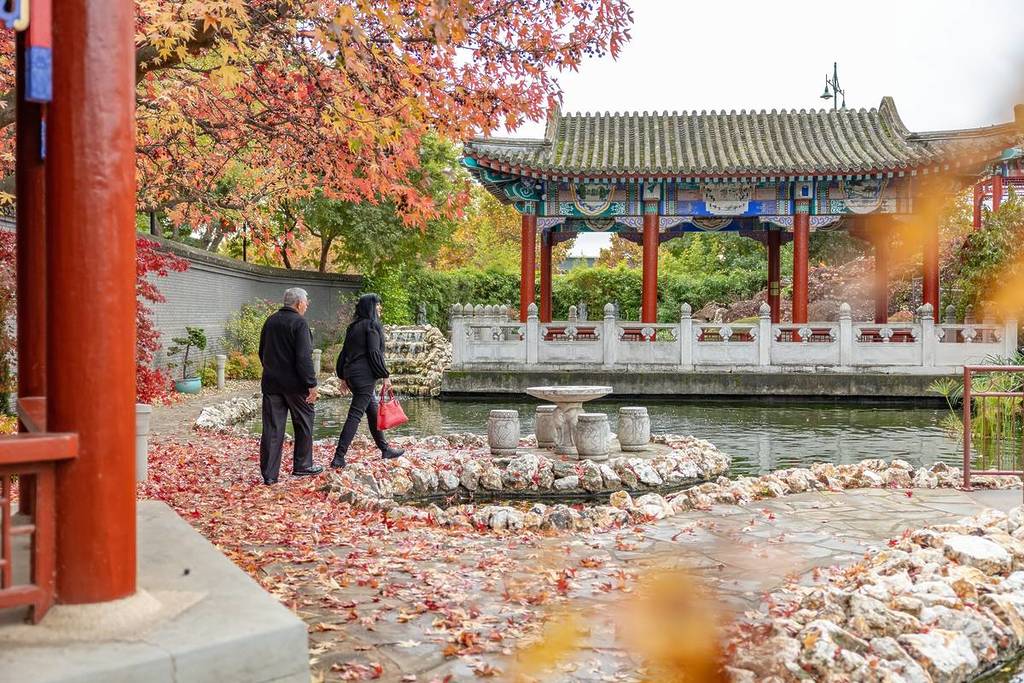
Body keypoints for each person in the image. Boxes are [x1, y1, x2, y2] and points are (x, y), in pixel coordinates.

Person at [331, 293, 405, 468]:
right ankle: (339, 457)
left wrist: (342, 376)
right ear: (370, 307)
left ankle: (385, 449)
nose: (380, 308)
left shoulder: (353, 327)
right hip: (364, 377)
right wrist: (385, 375)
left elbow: (344, 353)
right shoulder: (372, 326)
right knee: (355, 415)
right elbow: (374, 353)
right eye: (377, 304)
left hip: (352, 375)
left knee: (372, 412)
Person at [258, 287, 322, 484]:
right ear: (299, 303)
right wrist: (311, 384)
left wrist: (272, 369)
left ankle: (269, 475)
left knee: (272, 429)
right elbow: (304, 357)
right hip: (296, 385)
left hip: (271, 383)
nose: (308, 304)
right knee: (304, 422)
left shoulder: (271, 320)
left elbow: (262, 351)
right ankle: (302, 466)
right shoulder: (299, 323)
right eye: (306, 301)